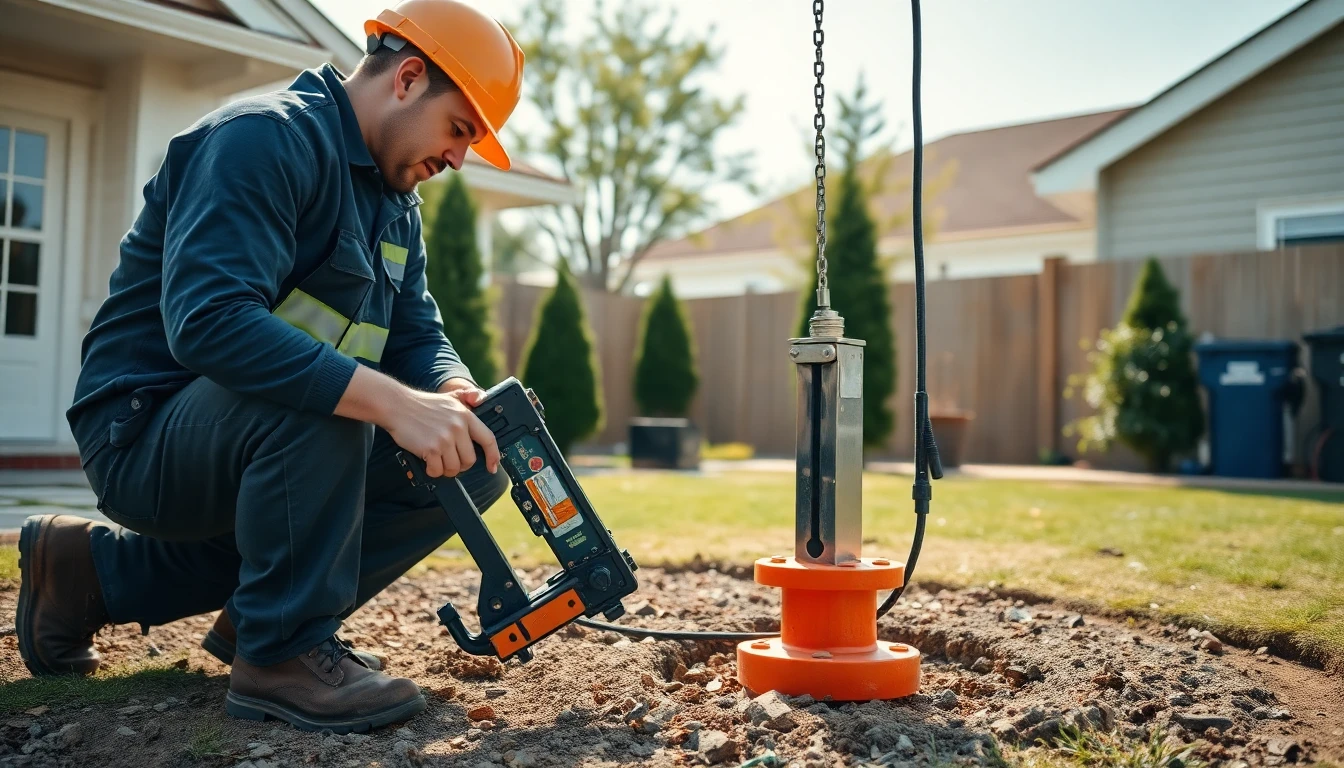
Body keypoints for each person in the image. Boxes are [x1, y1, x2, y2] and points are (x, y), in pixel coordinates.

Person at [14, 0, 525, 734]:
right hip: (143, 432)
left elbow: (417, 331)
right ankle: (281, 651)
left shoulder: (393, 202)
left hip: (255, 432)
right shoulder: (262, 139)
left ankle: (103, 578)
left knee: (466, 465)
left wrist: (450, 391)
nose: (458, 159)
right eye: (460, 130)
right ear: (408, 78)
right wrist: (386, 400)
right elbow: (209, 320)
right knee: (335, 400)